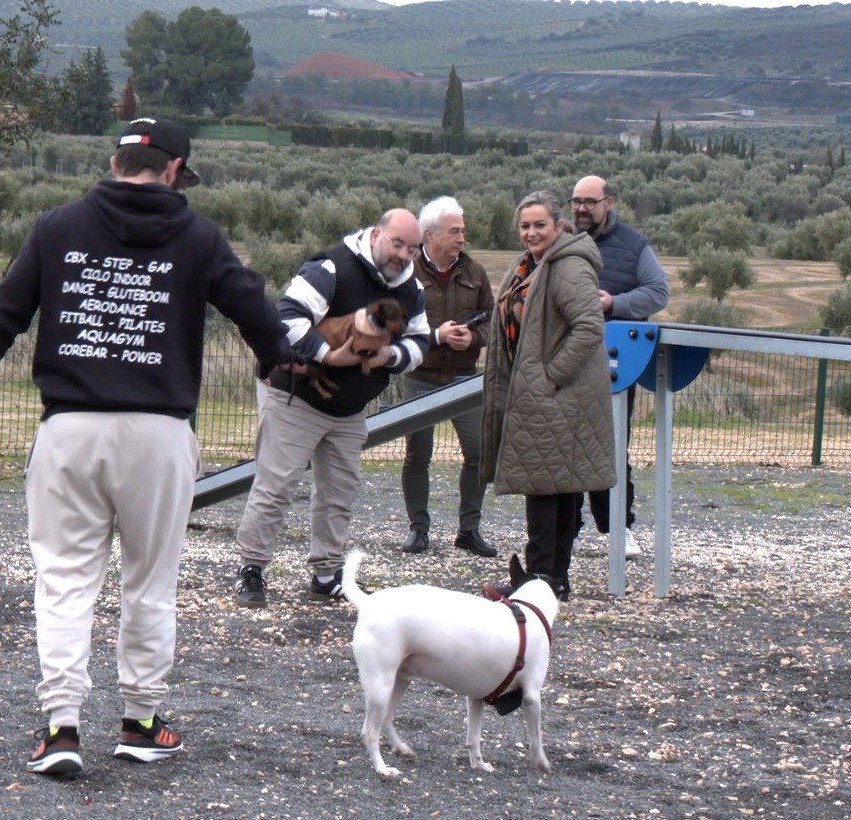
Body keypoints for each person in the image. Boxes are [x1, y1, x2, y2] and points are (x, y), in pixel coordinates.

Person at [0, 118, 294, 778]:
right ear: (173, 169)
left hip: (70, 428)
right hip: (158, 434)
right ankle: (141, 722)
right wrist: (279, 360)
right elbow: (255, 309)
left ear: (113, 160)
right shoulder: (197, 235)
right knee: (149, 583)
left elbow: (0, 319)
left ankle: (60, 728)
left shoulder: (56, 228)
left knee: (65, 581)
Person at [234, 209, 431, 608]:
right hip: (297, 397)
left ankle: (327, 574)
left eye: (413, 248)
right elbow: (286, 317)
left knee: (339, 492)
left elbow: (421, 342)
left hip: (350, 406)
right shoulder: (331, 267)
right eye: (398, 244)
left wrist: (389, 356)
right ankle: (251, 569)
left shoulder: (412, 290)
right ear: (377, 235)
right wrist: (328, 355)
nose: (405, 256)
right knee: (276, 487)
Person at [479, 190, 613, 604]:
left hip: (558, 397)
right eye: (525, 225)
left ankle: (540, 578)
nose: (532, 232)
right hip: (548, 397)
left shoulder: (567, 266)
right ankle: (551, 579)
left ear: (558, 227)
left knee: (544, 486)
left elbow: (589, 327)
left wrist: (550, 377)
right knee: (557, 486)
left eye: (540, 224)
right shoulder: (529, 267)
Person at [569, 174, 669, 559]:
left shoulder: (634, 245)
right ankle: (568, 529)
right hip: (564, 362)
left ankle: (617, 528)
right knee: (566, 446)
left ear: (609, 203)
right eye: (576, 200)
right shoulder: (562, 240)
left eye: (589, 202)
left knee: (611, 447)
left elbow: (658, 292)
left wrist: (614, 304)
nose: (581, 208)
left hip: (613, 366)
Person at [398, 196, 497, 558]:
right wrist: (437, 336)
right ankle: (418, 530)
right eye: (455, 232)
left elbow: (492, 323)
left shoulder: (476, 274)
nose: (461, 238)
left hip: (465, 380)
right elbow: (393, 326)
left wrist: (474, 337)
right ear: (430, 236)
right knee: (417, 454)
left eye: (463, 232)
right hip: (420, 377)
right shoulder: (406, 274)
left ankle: (468, 531)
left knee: (478, 453)